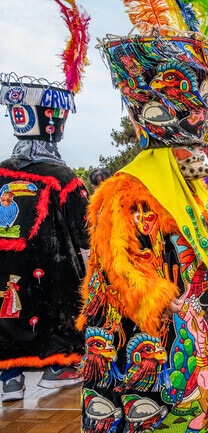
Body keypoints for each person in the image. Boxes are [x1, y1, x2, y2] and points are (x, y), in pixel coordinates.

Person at [77, 7, 208, 433]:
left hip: (206, 320)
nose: (200, 160)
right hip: (159, 336)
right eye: (190, 155)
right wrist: (159, 300)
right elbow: (116, 267)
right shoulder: (126, 191)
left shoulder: (189, 189)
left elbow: (203, 229)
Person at [0, 1, 91, 403]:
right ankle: (59, 365)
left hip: (6, 262)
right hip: (52, 265)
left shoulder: (2, 169)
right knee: (57, 306)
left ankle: (11, 379)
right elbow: (83, 230)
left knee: (10, 309)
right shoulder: (62, 177)